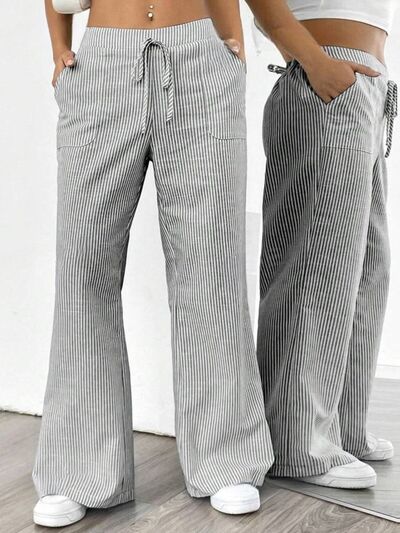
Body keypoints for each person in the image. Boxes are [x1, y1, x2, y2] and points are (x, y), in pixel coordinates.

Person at [32, 0, 276, 526]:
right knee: (82, 268)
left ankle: (226, 458)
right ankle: (76, 470)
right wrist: (58, 49)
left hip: (200, 60)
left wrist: (230, 55)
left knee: (210, 267)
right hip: (101, 67)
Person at [249, 0, 397, 488]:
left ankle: (342, 427)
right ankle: (298, 442)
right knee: (317, 267)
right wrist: (314, 61)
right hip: (328, 81)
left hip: (365, 87)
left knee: (367, 268)